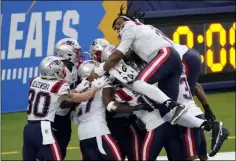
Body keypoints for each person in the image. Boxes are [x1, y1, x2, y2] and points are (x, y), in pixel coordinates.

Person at [100, 43, 229, 157]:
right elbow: (195, 85)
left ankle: (210, 125)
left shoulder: (131, 75)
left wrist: (134, 107)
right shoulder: (166, 67)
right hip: (173, 119)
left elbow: (112, 104)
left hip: (163, 121)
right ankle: (211, 126)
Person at [93, 14, 187, 126]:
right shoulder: (141, 32)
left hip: (165, 55)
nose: (118, 28)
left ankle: (174, 106)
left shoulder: (129, 27)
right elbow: (127, 55)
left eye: (119, 24)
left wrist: (101, 68)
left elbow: (120, 54)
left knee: (139, 83)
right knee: (167, 113)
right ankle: (206, 124)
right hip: (171, 59)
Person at [23, 56, 109, 161]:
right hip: (43, 128)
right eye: (60, 68)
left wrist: (76, 89)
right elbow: (83, 97)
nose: (62, 71)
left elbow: (55, 94)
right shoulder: (59, 85)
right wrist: (95, 87)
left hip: (28, 127)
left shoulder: (34, 81)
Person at [71, 61, 123, 161]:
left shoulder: (80, 87)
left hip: (82, 134)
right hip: (98, 131)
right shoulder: (103, 83)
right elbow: (110, 104)